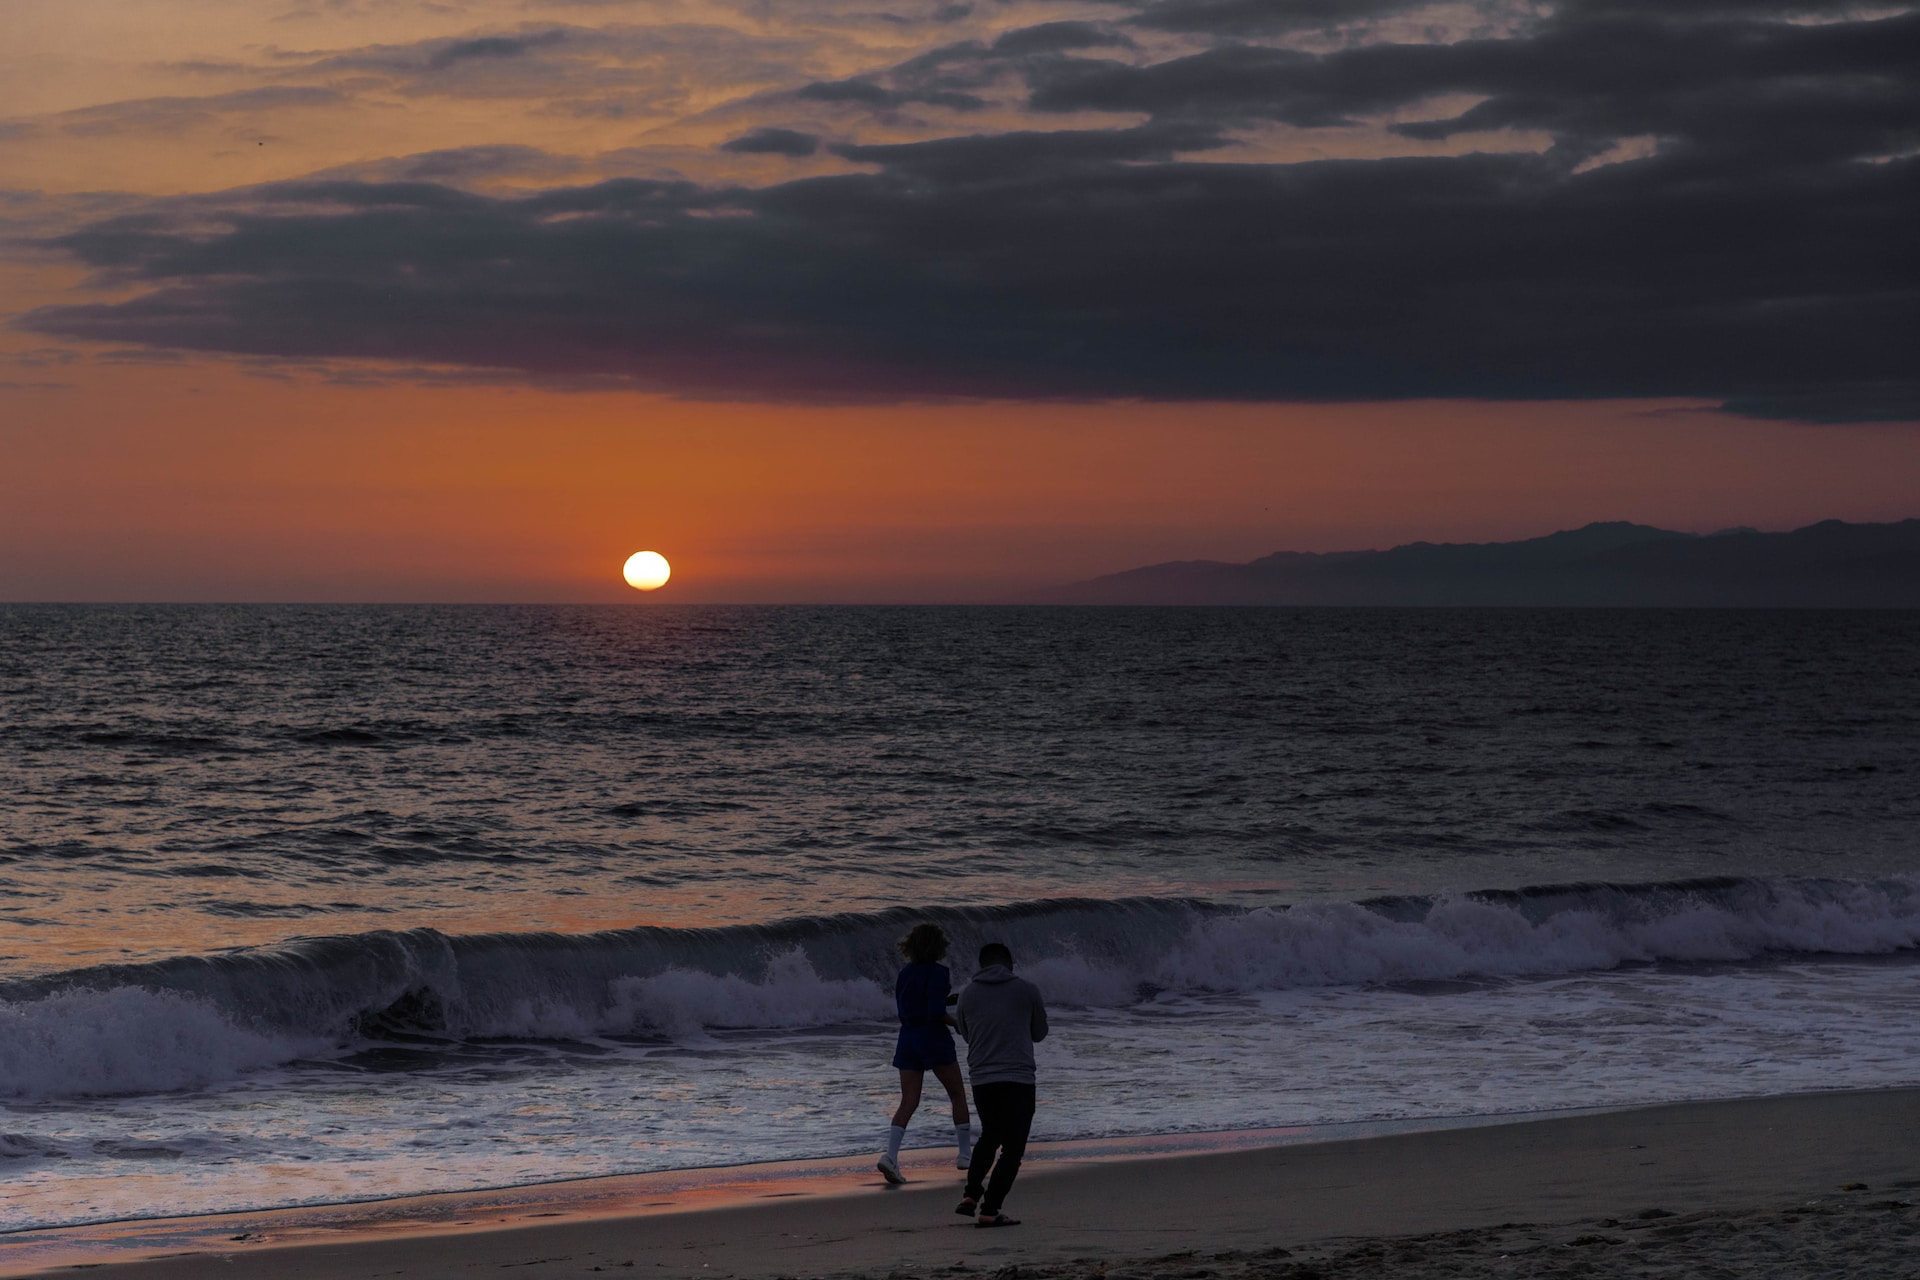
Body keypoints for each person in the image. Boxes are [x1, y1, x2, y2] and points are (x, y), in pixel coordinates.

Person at [952, 941, 1048, 1227]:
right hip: (1018, 1078)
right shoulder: (1027, 990)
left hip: (983, 1078)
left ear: (981, 965)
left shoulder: (967, 994)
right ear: (1010, 964)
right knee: (1013, 1149)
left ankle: (970, 1195)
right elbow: (1039, 1033)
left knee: (990, 1136)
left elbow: (966, 1034)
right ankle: (990, 1209)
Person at [878, 922, 972, 1184]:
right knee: (957, 1094)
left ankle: (891, 1156)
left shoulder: (905, 974)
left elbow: (916, 1004)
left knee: (908, 1101)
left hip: (907, 1038)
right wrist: (957, 1024)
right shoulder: (939, 972)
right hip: (932, 1038)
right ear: (938, 946)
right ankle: (964, 1154)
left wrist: (944, 1000)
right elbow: (935, 1012)